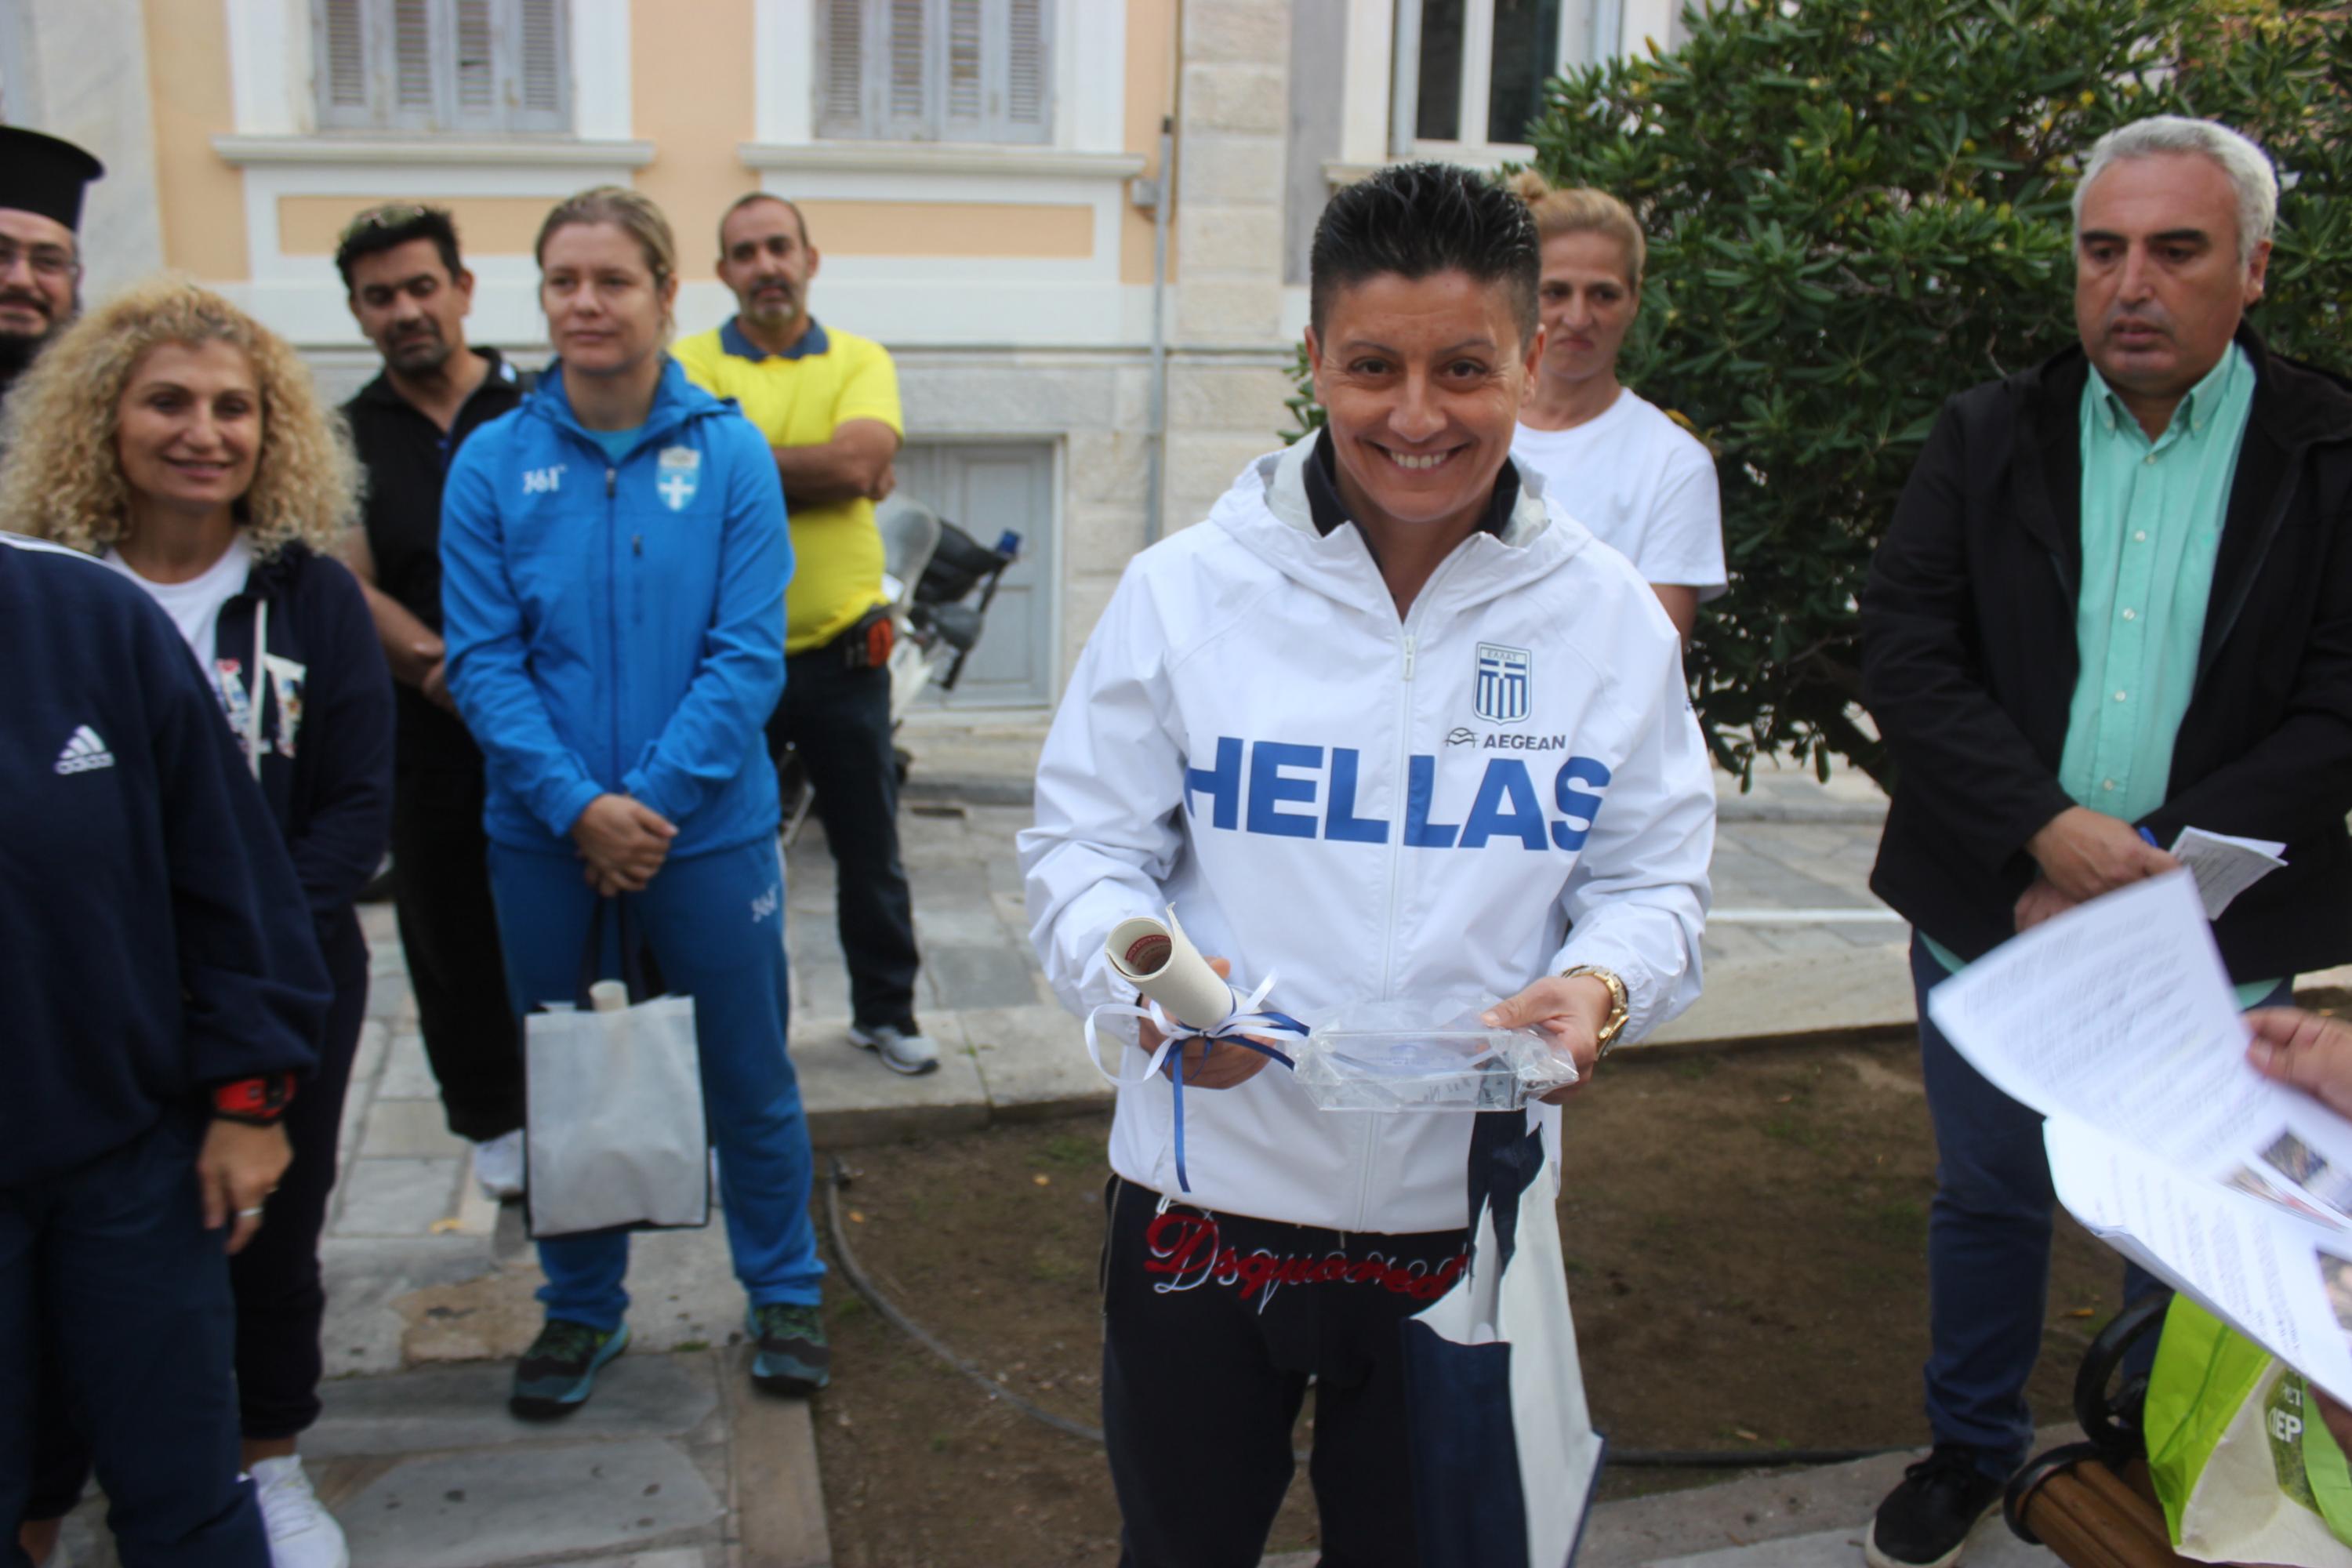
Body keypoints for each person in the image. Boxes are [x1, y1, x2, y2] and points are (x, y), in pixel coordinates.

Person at [1021, 162, 1715, 1567]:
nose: (1416, 416)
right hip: (1204, 1198)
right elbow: (1085, 851)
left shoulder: (1604, 619)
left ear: (1531, 355)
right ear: (1315, 361)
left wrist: (1601, 985)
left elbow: (1653, 883)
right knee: (1181, 1548)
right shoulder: (1186, 591)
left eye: (1463, 367)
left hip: (1463, 1215)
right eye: (1372, 367)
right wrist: (1144, 992)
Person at [1860, 114, 2352, 1568]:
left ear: (2254, 269)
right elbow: (1906, 650)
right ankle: (1970, 1448)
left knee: (2198, 1221)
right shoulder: (1987, 431)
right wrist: (2045, 834)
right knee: (1989, 1195)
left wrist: (2148, 864)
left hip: (2219, 932)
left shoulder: (2330, 449)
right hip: (1992, 915)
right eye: (2102, 250)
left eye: (2176, 251)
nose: (2131, 284)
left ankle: (2158, 1460)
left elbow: (2342, 698)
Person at [2, 278, 394, 1568]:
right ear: (100, 418)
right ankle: (56, 1485)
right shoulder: (54, 595)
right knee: (91, 1267)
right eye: (167, 401)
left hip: (277, 977)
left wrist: (244, 953)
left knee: (263, 1236)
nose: (203, 432)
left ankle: (265, 1458)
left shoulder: (309, 594)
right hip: (89, 998)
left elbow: (355, 803)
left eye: (234, 407)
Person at [439, 186, 829, 1416]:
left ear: (666, 294)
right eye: (564, 281)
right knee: (568, 1068)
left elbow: (746, 657)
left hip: (703, 834)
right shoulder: (491, 462)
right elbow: (482, 660)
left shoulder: (730, 455)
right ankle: (580, 1307)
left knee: (748, 1074)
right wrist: (575, 809)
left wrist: (646, 805)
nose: (586, 303)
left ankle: (785, 1288)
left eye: (613, 280)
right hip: (543, 839)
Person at [673, 193, 938, 1076]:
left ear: (809, 259)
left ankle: (885, 1014)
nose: (765, 266)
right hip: (721, 663)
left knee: (870, 852)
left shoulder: (859, 358)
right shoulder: (688, 361)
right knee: (722, 856)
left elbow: (858, 461)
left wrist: (740, 458)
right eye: (745, 252)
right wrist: (825, 470)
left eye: (778, 247)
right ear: (724, 271)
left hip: (842, 657)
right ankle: (736, 1031)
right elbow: (688, 474)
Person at [336, 204, 533, 1201]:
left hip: (551, 728)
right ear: (359, 313)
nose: (405, 311)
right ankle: (493, 1117)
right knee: (449, 929)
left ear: (462, 289)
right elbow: (347, 575)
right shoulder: (345, 436)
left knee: (580, 919)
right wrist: (443, 666)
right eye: (380, 297)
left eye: (421, 287)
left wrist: (511, 682)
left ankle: (612, 1102)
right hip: (427, 729)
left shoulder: (539, 407)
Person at [1505, 172, 1724, 641]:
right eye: (1556, 292)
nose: (1578, 317)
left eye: (1603, 294)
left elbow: (1651, 656)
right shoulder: (1462, 433)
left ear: (1634, 300)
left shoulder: (1674, 464)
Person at [0, 125, 102, 412]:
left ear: (76, 280)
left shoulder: (104, 406)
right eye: (1, 254)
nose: (21, 280)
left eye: (48, 262)